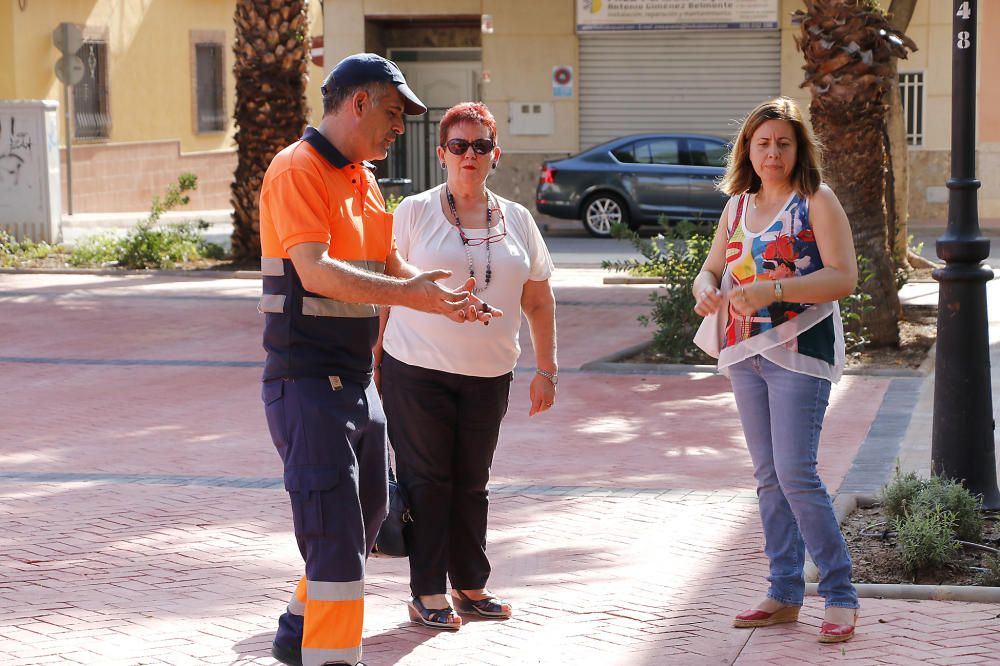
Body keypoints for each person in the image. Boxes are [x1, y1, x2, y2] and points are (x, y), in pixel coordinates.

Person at [259, 54, 493, 666]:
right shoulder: (297, 169)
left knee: (367, 517)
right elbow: (313, 269)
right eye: (393, 113)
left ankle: (296, 632)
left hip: (356, 381)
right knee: (334, 533)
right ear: (357, 103)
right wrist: (412, 295)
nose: (400, 127)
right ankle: (333, 658)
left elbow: (388, 265)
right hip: (305, 380)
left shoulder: (362, 177)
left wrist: (438, 299)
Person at [377, 101, 557, 630]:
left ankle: (470, 586)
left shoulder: (518, 220)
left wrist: (546, 368)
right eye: (459, 146)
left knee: (472, 482)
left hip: (489, 375)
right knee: (427, 480)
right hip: (416, 368)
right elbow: (390, 289)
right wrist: (375, 358)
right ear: (442, 154)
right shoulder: (413, 211)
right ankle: (427, 592)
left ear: (494, 154)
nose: (469, 154)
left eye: (480, 145)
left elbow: (539, 300)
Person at [692, 97, 861, 643]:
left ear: (798, 148)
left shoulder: (816, 200)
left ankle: (839, 593)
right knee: (768, 476)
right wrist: (706, 288)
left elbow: (843, 278)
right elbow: (713, 266)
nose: (772, 152)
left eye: (783, 143)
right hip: (745, 353)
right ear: (748, 149)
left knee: (795, 473)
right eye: (762, 142)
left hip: (799, 350)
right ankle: (784, 592)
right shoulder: (737, 205)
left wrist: (775, 289)